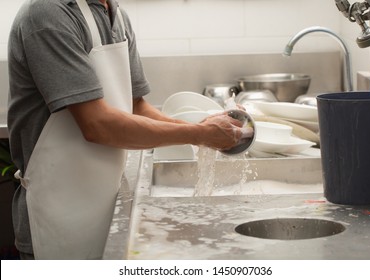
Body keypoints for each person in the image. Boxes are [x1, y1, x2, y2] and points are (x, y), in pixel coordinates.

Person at [7, 0, 251, 259]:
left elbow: (136, 106)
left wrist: (201, 128)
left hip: (104, 205)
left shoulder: (117, 14)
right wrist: (199, 134)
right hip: (56, 214)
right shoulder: (48, 13)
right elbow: (96, 124)